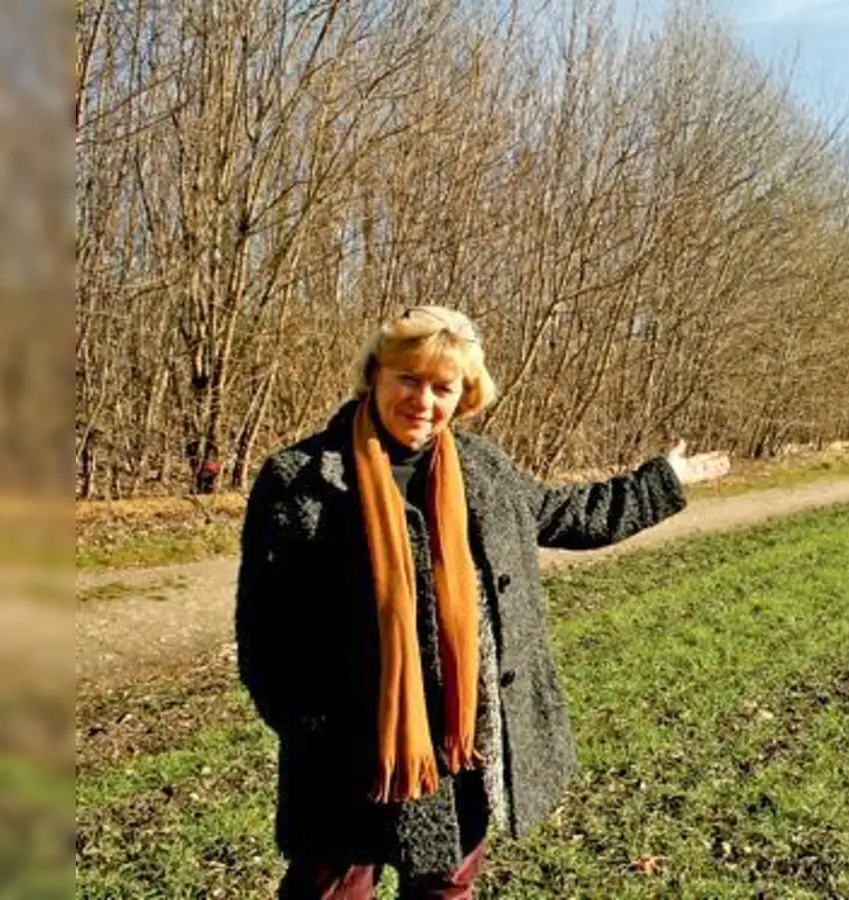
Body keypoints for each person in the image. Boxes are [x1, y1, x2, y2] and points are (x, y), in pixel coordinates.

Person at [235, 305, 730, 898]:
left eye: (442, 387)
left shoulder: (484, 470)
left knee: (446, 887)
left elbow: (568, 515)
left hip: (455, 744)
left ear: (463, 396)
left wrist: (662, 481)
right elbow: (264, 630)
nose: (422, 401)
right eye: (408, 379)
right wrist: (309, 725)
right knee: (332, 889)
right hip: (346, 754)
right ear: (375, 376)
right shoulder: (298, 478)